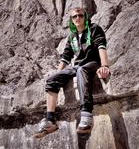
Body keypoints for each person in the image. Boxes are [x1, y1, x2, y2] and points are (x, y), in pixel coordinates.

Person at [34, 7, 110, 138]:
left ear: (85, 17)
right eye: (74, 16)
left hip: (92, 63)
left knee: (81, 70)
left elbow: (101, 46)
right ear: (71, 20)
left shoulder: (94, 28)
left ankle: (86, 115)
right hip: (78, 65)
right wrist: (58, 74)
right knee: (52, 78)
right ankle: (50, 120)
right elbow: (66, 56)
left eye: (80, 15)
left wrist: (104, 66)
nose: (77, 18)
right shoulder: (72, 36)